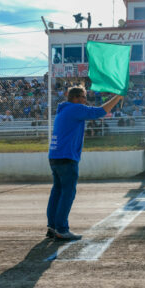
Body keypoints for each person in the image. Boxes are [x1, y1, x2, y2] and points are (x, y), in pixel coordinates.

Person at [46, 86, 123, 241]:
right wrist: (117, 97)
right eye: (83, 96)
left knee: (57, 192)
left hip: (55, 155)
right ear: (75, 97)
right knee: (67, 194)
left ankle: (52, 227)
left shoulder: (64, 109)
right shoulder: (75, 108)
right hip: (67, 157)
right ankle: (61, 229)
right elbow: (99, 112)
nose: (85, 100)